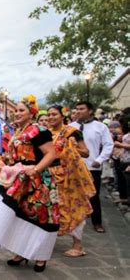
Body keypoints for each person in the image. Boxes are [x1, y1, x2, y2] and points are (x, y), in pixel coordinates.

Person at [0, 95, 58, 272]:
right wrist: (5, 159)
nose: (16, 113)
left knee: (39, 218)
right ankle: (21, 251)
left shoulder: (38, 130)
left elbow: (51, 154)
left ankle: (41, 256)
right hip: (19, 181)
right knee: (18, 216)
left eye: (21, 110)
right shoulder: (18, 131)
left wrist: (34, 170)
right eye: (16, 110)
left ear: (31, 113)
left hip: (37, 182)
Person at [47, 105, 95, 257]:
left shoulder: (72, 132)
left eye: (54, 114)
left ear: (63, 116)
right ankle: (48, 239)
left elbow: (86, 153)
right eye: (49, 115)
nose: (51, 117)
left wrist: (73, 147)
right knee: (52, 208)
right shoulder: (46, 133)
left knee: (74, 207)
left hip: (70, 176)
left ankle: (78, 245)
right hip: (51, 175)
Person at [70, 101, 113, 233]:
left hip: (92, 167)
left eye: (82, 109)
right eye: (76, 109)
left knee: (93, 195)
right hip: (74, 167)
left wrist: (99, 160)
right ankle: (73, 221)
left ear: (90, 110)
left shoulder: (100, 127)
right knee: (73, 194)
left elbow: (108, 144)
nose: (78, 111)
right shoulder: (71, 127)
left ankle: (97, 222)